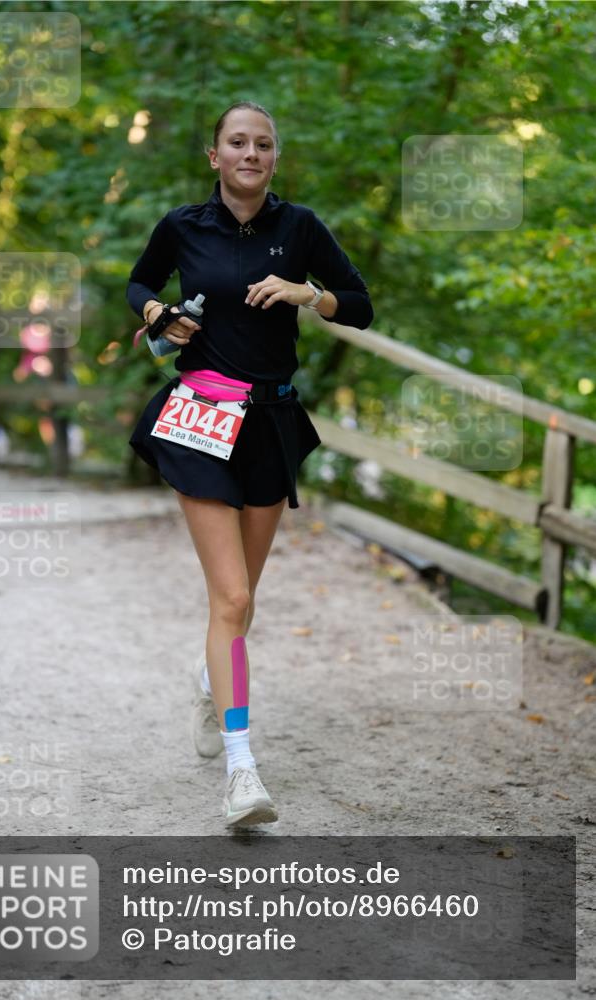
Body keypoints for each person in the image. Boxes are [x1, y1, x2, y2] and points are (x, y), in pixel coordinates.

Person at [126, 101, 373, 829]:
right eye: (237, 142)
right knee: (231, 599)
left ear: (274, 158)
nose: (250, 153)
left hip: (269, 423)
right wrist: (156, 315)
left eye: (263, 144)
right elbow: (139, 284)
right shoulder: (183, 225)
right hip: (201, 420)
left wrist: (309, 294)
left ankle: (211, 679)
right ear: (215, 156)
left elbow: (360, 305)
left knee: (240, 602)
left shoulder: (300, 228)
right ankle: (242, 770)